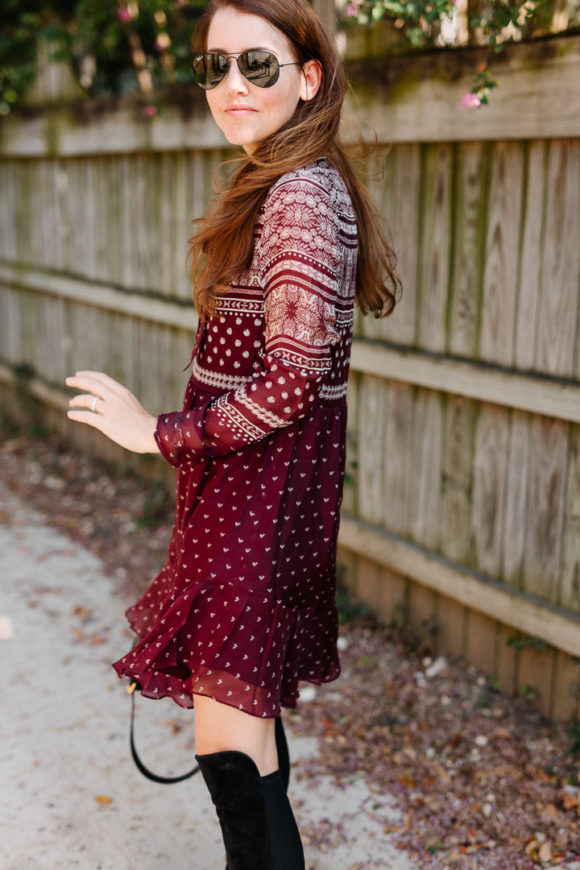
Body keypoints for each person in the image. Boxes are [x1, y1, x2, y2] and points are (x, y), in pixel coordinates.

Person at [65, 0, 400, 867]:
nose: (232, 85)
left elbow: (290, 383)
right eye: (215, 66)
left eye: (258, 64)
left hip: (258, 510)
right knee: (246, 749)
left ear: (309, 76)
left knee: (231, 759)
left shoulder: (297, 196)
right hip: (252, 507)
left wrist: (156, 432)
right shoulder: (291, 181)